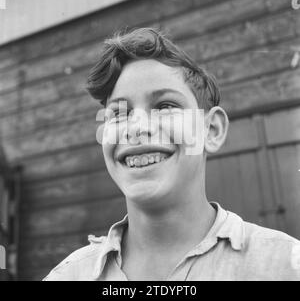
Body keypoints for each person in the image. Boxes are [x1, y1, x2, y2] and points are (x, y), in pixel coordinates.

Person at [44, 27, 300, 281]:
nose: (137, 128)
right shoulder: (67, 276)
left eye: (165, 106)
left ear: (211, 130)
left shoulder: (285, 265)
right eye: (120, 113)